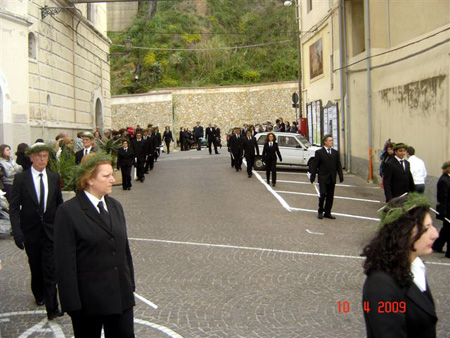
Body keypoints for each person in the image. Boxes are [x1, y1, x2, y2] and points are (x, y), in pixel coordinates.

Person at [54, 152, 135, 338]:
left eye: (111, 174)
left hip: (120, 298)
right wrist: (72, 305)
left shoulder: (115, 206)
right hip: (89, 303)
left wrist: (129, 284)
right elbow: (64, 262)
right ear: (89, 179)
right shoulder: (68, 212)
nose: (112, 179)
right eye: (106, 176)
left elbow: (124, 250)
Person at [362, 193, 439, 338]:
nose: (435, 234)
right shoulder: (381, 286)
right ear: (404, 233)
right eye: (426, 228)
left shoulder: (414, 265)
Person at [10, 142, 63, 320]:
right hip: (30, 232)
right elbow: (14, 207)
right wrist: (17, 232)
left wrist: (63, 229)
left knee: (50, 269)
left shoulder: (54, 177)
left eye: (45, 156)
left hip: (50, 232)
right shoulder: (21, 179)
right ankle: (38, 293)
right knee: (36, 267)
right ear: (32, 157)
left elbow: (59, 205)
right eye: (39, 156)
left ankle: (52, 307)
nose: (42, 160)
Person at [309, 134, 343, 219]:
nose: (332, 142)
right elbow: (315, 165)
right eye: (330, 140)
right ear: (325, 142)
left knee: (330, 196)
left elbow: (338, 165)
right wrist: (312, 176)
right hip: (323, 177)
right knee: (323, 194)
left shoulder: (335, 153)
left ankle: (327, 212)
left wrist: (340, 175)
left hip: (332, 177)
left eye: (332, 140)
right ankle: (320, 210)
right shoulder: (319, 152)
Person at [432, 161, 450, 258]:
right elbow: (443, 198)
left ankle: (437, 245)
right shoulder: (444, 180)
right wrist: (443, 213)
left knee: (446, 229)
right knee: (448, 229)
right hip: (447, 210)